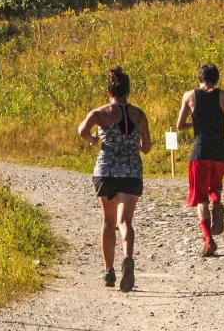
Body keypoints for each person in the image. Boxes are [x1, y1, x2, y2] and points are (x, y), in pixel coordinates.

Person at [78, 66, 151, 292]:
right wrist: (135, 144)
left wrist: (92, 139)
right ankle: (127, 257)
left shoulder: (100, 113)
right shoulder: (139, 114)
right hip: (131, 172)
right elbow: (146, 147)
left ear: (108, 91)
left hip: (106, 172)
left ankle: (109, 271)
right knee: (124, 222)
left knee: (108, 222)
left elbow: (82, 130)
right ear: (128, 91)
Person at [176, 63, 224, 257]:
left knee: (201, 199)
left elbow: (180, 125)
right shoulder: (223, 95)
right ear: (216, 78)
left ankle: (208, 239)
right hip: (220, 151)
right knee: (215, 186)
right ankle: (218, 203)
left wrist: (194, 123)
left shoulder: (190, 96)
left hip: (200, 151)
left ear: (200, 78)